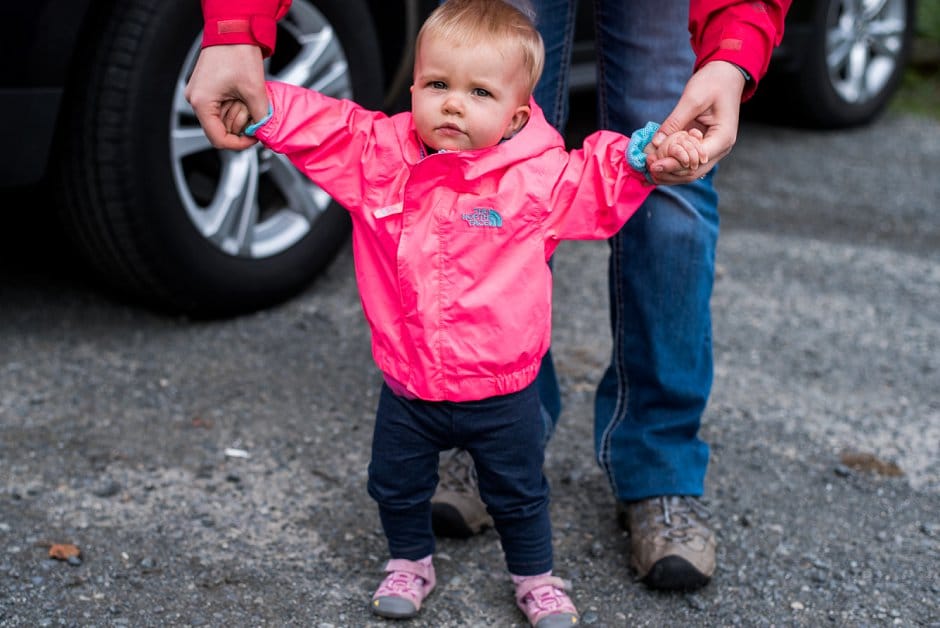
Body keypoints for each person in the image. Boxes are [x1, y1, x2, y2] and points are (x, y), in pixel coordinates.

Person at [187, 0, 791, 596]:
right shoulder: (377, 157)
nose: (452, 102)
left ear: (519, 117)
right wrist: (260, 96)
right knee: (394, 483)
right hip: (410, 382)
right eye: (437, 84)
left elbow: (592, 178)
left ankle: (614, 510)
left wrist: (646, 156)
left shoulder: (535, 177)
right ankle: (411, 559)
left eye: (479, 94)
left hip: (504, 388)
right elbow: (325, 127)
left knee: (522, 490)